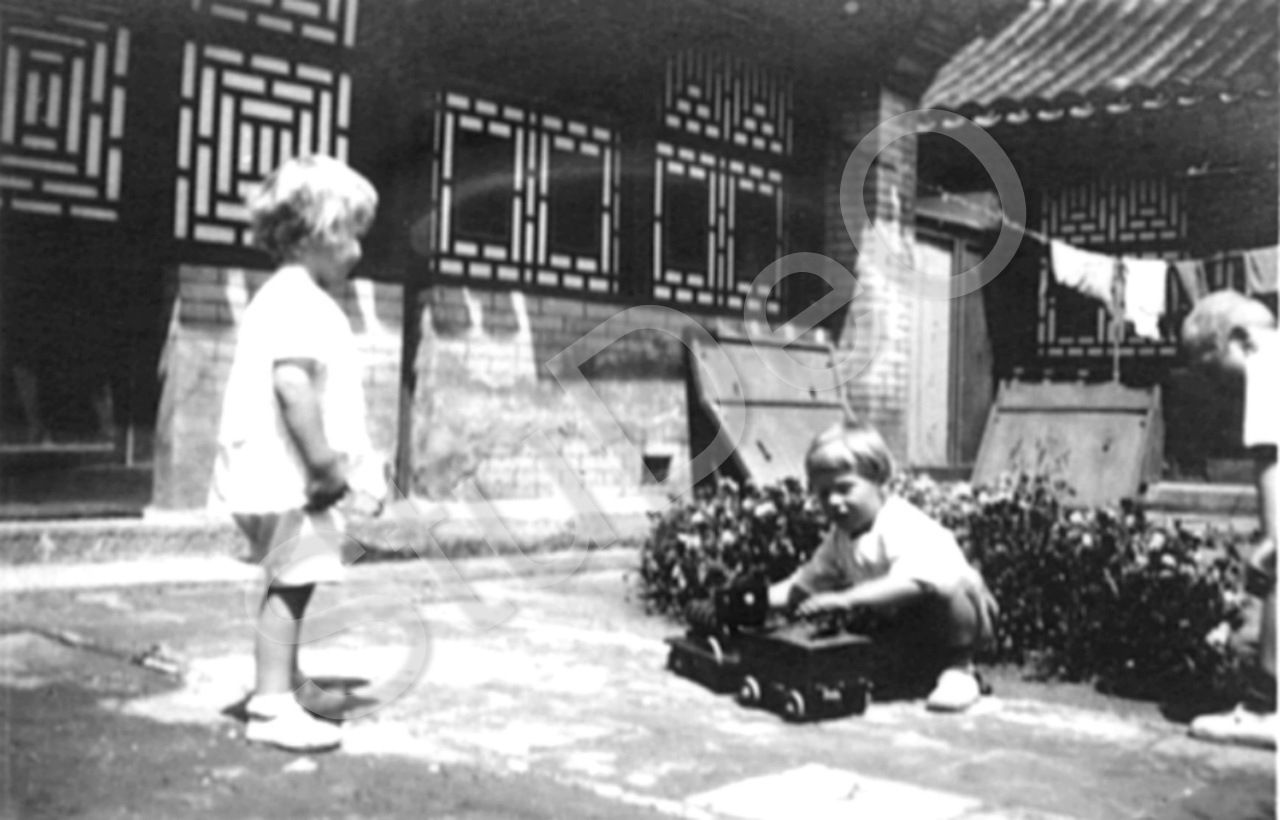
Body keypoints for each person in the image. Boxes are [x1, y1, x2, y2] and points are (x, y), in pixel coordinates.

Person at [209, 154, 386, 753]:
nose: (358, 251)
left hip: (276, 470)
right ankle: (271, 707)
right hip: (290, 473)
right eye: (352, 235)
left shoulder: (282, 296)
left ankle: (280, 682)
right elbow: (292, 385)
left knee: (291, 580)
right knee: (292, 584)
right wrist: (324, 466)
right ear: (319, 232)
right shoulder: (301, 302)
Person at [766, 421, 998, 712]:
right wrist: (751, 600)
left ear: (879, 481)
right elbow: (802, 585)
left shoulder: (898, 522)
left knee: (952, 584)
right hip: (907, 626)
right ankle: (914, 672)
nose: (834, 501)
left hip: (957, 620)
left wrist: (845, 599)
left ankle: (960, 670)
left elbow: (916, 583)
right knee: (857, 648)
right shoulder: (840, 538)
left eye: (845, 488)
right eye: (824, 493)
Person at [1181, 289, 1277, 749]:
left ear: (1235, 339)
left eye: (1208, 367)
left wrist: (1271, 539)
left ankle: (1267, 707)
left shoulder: (1265, 364)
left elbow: (1274, 462)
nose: (1213, 385)